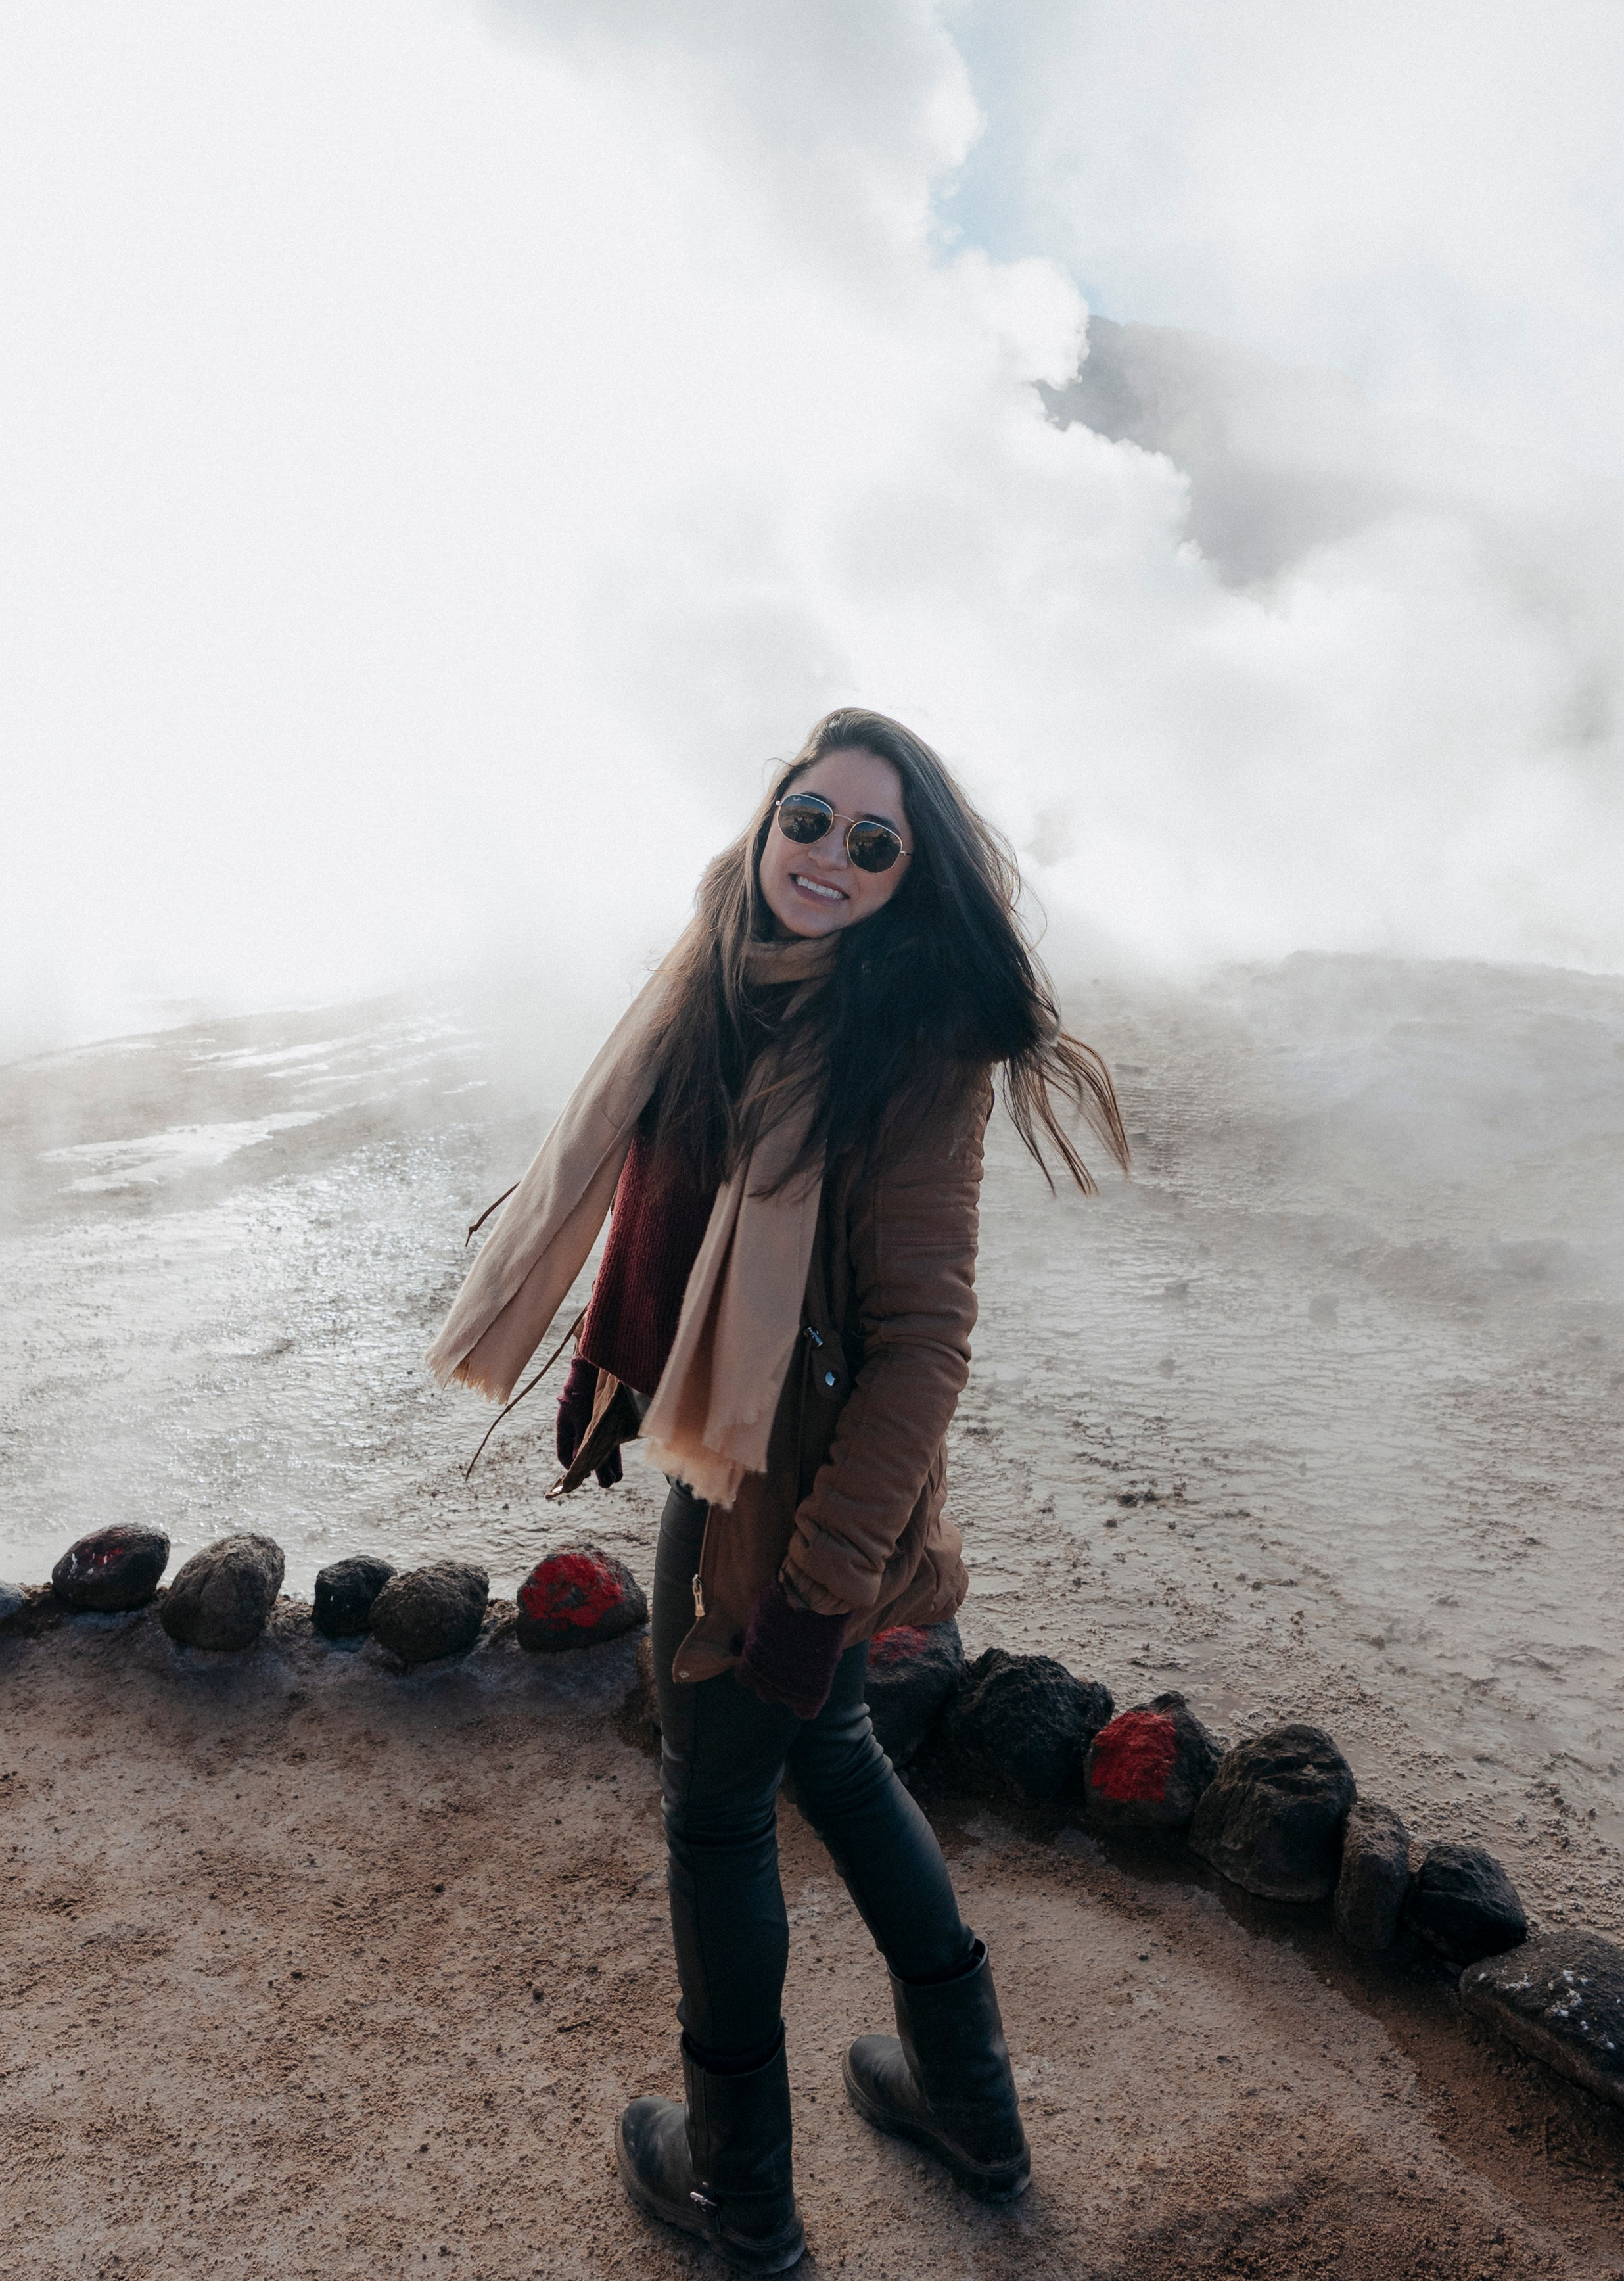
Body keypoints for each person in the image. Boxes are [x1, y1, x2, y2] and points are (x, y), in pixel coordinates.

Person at [427, 709, 1128, 2275]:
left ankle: (737, 2191)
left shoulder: (913, 1049)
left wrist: (817, 1591)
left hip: (788, 1506)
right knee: (831, 1758)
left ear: (911, 874)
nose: (828, 858)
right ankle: (971, 2106)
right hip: (725, 1439)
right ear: (770, 821)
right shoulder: (726, 985)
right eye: (810, 820)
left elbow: (925, 1350)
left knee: (716, 1815)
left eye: (873, 844)